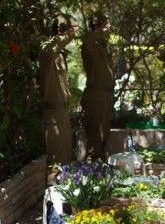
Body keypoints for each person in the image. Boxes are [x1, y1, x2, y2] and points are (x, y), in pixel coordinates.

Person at [39, 15, 78, 179]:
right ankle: (51, 194)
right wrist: (66, 36)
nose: (73, 35)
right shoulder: (46, 50)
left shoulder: (60, 54)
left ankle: (63, 194)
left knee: (65, 162)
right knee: (55, 165)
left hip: (62, 114)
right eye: (71, 30)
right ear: (60, 31)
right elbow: (50, 48)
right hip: (53, 116)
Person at [80, 11, 114, 161]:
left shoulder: (104, 47)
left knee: (104, 135)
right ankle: (92, 166)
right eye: (106, 26)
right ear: (97, 27)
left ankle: (101, 163)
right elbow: (89, 37)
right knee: (95, 136)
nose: (109, 29)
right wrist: (99, 30)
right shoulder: (89, 45)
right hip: (95, 97)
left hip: (106, 97)